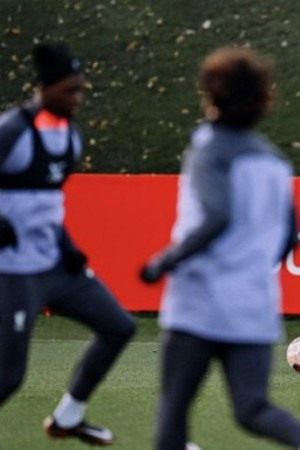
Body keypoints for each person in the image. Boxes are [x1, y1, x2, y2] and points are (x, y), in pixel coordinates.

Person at [140, 47, 300, 450]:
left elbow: (217, 217)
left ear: (211, 97)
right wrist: (249, 268)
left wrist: (166, 260)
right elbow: (289, 237)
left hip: (198, 302)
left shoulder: (208, 148)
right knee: (251, 408)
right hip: (253, 304)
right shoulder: (275, 161)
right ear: (262, 103)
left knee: (174, 411)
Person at [0, 42, 136, 445]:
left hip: (55, 266)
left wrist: (68, 246)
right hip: (13, 271)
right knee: (7, 377)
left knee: (118, 326)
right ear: (43, 88)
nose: (76, 99)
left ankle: (67, 419)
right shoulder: (12, 133)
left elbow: (45, 206)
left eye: (80, 90)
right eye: (69, 90)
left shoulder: (69, 139)